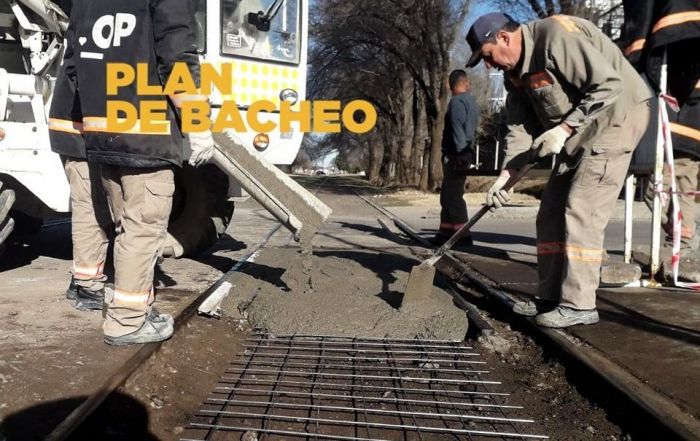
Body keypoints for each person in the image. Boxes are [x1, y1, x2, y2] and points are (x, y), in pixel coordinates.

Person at [467, 12, 652, 327]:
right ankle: (551, 297)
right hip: (581, 130)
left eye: (487, 57)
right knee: (551, 210)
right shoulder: (516, 76)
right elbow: (519, 132)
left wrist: (563, 129)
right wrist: (505, 179)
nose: (489, 66)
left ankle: (579, 304)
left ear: (503, 37)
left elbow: (608, 86)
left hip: (616, 117)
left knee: (581, 206)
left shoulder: (555, 36)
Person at [51, 0, 215, 345]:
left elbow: (78, 64)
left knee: (117, 221)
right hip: (145, 131)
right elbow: (177, 54)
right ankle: (127, 321)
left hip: (101, 131)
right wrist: (197, 124)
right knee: (141, 226)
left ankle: (128, 305)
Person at [435, 70, 480, 247]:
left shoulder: (456, 102)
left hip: (456, 155)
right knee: (446, 195)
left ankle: (463, 236)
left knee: (453, 196)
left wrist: (459, 154)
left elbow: (457, 130)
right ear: (465, 83)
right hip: (464, 153)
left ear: (449, 85)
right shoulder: (472, 103)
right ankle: (444, 232)